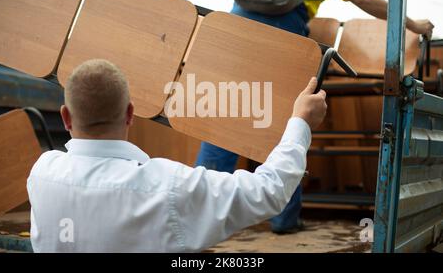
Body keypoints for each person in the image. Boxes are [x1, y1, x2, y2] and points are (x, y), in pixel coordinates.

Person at [196, 0, 435, 235]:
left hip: (238, 27)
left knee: (226, 117)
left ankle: (197, 212)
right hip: (284, 31)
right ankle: (284, 219)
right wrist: (412, 24)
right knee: (282, 123)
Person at [27, 59, 327, 252]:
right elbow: (269, 191)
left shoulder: (42, 173)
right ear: (131, 113)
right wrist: (300, 122)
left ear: (66, 117)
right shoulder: (166, 185)